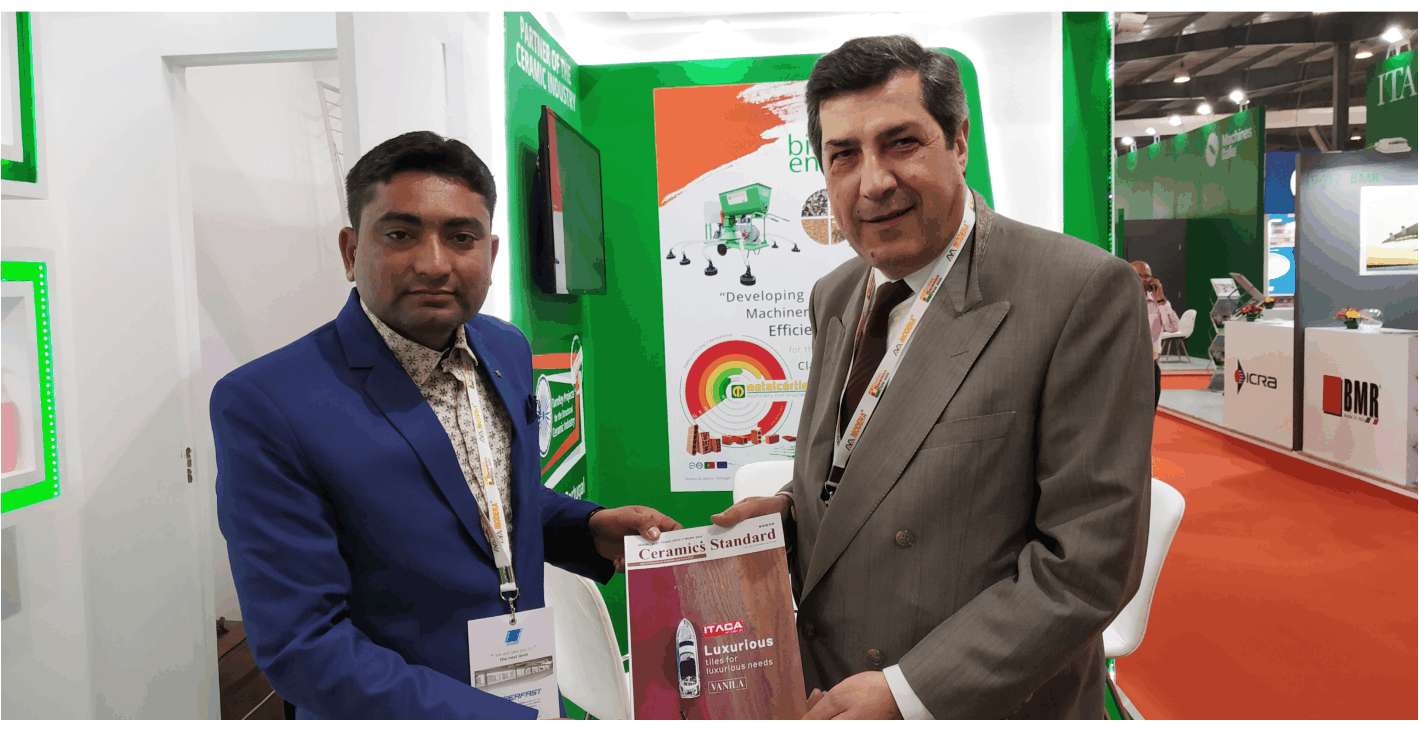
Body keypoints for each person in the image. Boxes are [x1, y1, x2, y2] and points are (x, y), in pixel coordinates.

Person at [712, 36, 1153, 719]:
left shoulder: (1079, 293)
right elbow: (876, 469)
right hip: (834, 688)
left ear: (959, 142)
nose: (873, 182)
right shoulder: (836, 295)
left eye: (901, 143)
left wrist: (910, 692)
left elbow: (1087, 564)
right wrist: (795, 519)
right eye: (843, 155)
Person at [211, 131, 680, 719]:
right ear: (350, 251)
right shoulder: (267, 402)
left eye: (461, 237)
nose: (434, 264)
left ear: (491, 252)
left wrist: (587, 528)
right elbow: (304, 648)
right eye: (400, 234)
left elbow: (488, 497)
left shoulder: (505, 348)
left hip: (529, 690)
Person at [1130, 261, 1180, 409]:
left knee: (1150, 410)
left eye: (1146, 276)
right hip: (1127, 366)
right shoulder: (1119, 300)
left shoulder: (1158, 302)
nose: (1143, 280)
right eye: (1138, 275)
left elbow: (1173, 328)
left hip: (1150, 365)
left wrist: (1161, 298)